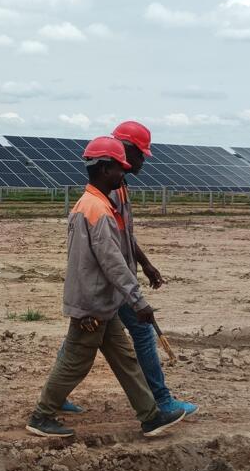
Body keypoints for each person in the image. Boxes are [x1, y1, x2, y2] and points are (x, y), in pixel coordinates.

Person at [25, 136, 186, 438]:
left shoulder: (93, 204)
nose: (123, 175)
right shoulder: (96, 210)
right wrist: (138, 302)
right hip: (92, 306)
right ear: (102, 169)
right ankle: (41, 416)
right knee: (75, 362)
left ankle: (151, 417)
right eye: (118, 169)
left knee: (125, 358)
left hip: (102, 304)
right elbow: (113, 264)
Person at [61, 121, 199, 416]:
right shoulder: (107, 189)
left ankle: (55, 396)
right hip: (112, 280)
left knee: (80, 341)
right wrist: (136, 297)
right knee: (137, 333)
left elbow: (125, 236)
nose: (142, 162)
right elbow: (108, 250)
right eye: (140, 154)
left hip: (118, 278)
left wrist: (145, 263)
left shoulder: (118, 186)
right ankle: (160, 402)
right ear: (124, 150)